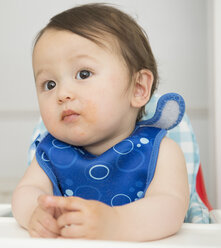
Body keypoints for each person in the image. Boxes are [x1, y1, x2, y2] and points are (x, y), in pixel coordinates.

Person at [11, 3, 189, 241]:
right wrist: (36, 213)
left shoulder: (161, 151)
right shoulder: (51, 153)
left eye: (83, 74)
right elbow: (25, 192)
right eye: (49, 84)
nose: (62, 93)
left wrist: (115, 223)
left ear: (138, 88)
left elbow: (170, 209)